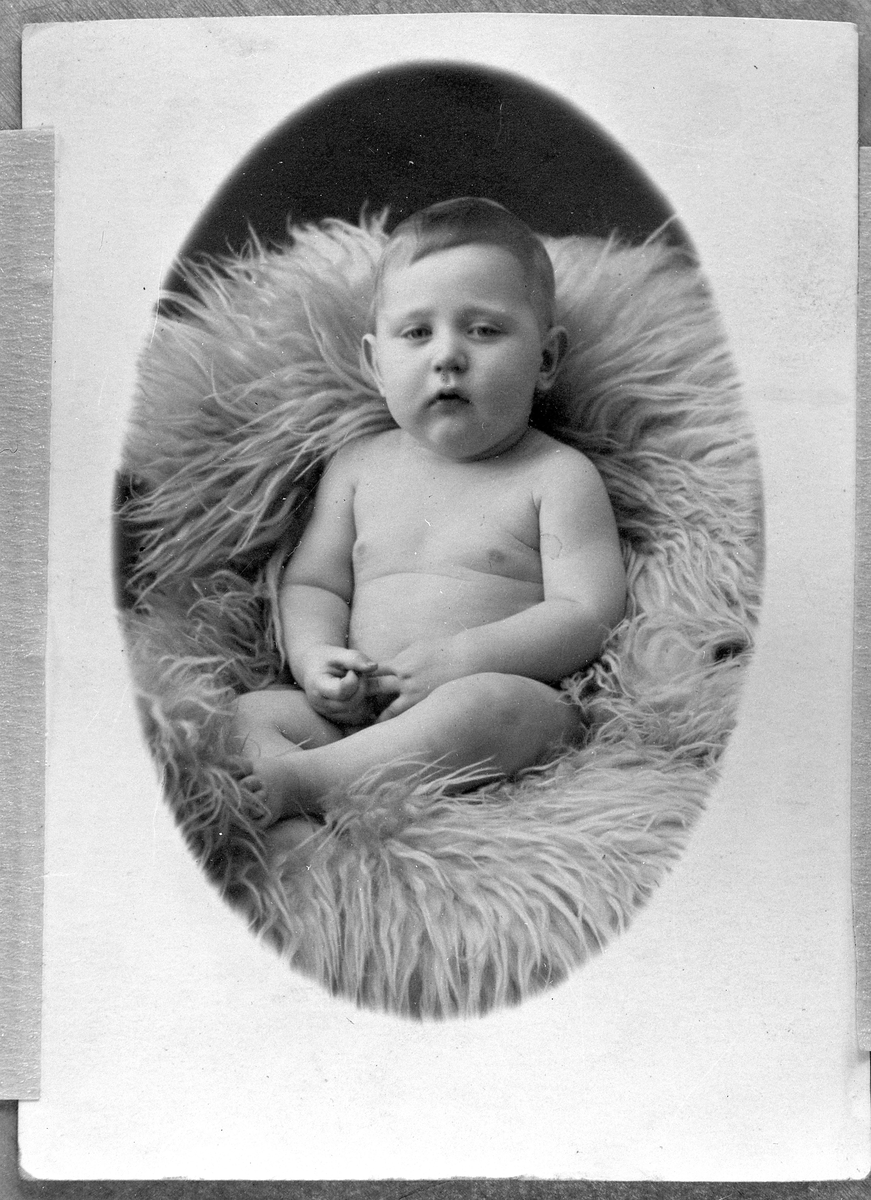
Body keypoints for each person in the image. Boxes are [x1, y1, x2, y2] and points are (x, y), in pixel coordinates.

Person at [233, 197, 627, 851]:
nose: (448, 356)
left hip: (488, 714)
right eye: (417, 333)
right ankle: (319, 805)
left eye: (484, 330)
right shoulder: (357, 467)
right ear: (374, 363)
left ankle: (306, 785)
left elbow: (587, 612)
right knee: (248, 713)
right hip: (363, 712)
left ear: (545, 359)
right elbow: (314, 584)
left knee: (492, 707)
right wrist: (315, 661)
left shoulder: (556, 475)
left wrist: (462, 659)